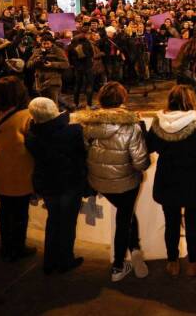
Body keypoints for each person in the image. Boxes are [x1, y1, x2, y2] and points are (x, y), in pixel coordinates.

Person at [75, 82, 150, 282]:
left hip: (99, 181)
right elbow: (141, 162)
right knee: (124, 219)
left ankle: (134, 248)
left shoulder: (87, 124)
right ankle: (118, 266)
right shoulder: (131, 126)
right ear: (123, 100)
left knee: (126, 214)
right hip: (126, 183)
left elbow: (85, 151)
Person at [146, 85, 196, 278]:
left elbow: (149, 146)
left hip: (168, 179)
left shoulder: (158, 124)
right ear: (189, 101)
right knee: (193, 223)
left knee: (171, 222)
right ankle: (193, 263)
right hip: (194, 179)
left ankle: (172, 263)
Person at [25, 97, 87, 275]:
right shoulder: (72, 131)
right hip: (69, 184)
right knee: (67, 223)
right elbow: (82, 153)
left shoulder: (31, 136)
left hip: (47, 184)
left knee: (53, 220)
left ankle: (50, 261)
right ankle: (65, 260)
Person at [0, 76, 36, 262]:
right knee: (20, 210)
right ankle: (17, 247)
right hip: (21, 168)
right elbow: (33, 141)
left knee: (4, 208)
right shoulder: (27, 115)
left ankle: (6, 246)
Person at [27, 33, 69, 103]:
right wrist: (36, 61)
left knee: (53, 104)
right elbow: (28, 65)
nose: (46, 46)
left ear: (52, 43)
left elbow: (66, 64)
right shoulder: (37, 51)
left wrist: (52, 64)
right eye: (44, 44)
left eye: (48, 44)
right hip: (40, 83)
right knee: (44, 105)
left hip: (53, 82)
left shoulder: (58, 51)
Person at [173, 36, 196, 106]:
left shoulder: (186, 46)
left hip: (176, 68)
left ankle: (175, 102)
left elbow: (195, 55)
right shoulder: (194, 49)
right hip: (183, 69)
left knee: (179, 87)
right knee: (195, 84)